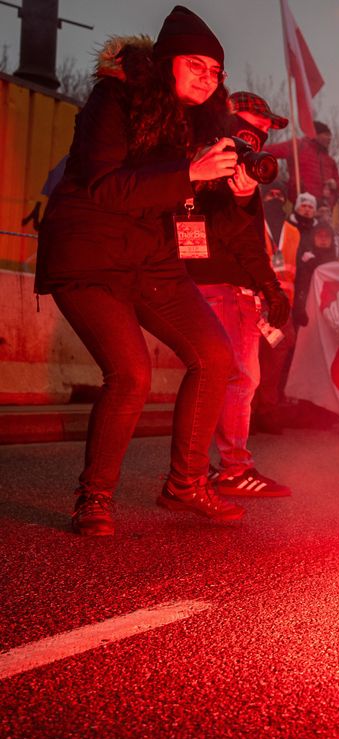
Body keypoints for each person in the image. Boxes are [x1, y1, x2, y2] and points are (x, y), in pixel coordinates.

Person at [34, 5, 245, 535]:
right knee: (131, 374)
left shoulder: (197, 124)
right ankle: (95, 498)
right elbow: (106, 185)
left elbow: (188, 203)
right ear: (168, 60)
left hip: (151, 258)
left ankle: (185, 485)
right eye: (196, 64)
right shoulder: (116, 96)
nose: (207, 77)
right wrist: (189, 172)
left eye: (216, 71)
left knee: (216, 356)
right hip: (88, 254)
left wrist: (233, 191)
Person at [186, 90, 293, 498]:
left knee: (226, 375)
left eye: (266, 130)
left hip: (216, 279)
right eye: (254, 125)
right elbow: (232, 232)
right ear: (232, 118)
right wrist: (267, 285)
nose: (260, 135)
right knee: (240, 377)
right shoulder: (219, 156)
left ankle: (202, 470)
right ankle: (233, 469)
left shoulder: (227, 164)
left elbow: (231, 230)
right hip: (225, 282)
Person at [265, 119, 339, 199]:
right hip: (301, 202)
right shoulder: (298, 146)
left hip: (324, 206)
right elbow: (268, 151)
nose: (330, 138)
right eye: (326, 134)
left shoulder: (330, 161)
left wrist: (335, 185)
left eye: (330, 135)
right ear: (316, 134)